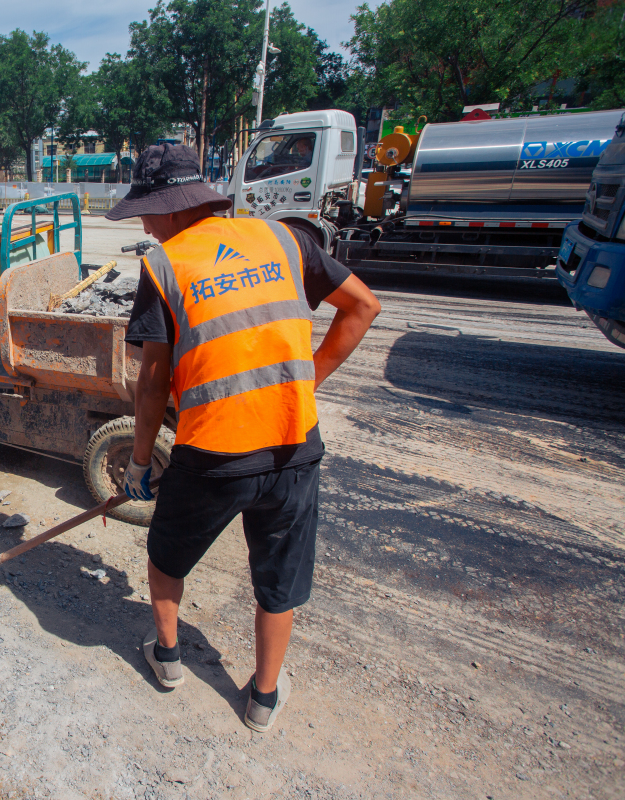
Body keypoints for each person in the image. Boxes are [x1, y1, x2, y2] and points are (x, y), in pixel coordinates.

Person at [106, 144, 380, 731]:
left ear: (171, 207)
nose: (146, 226)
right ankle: (263, 699)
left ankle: (168, 659)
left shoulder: (165, 265)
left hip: (214, 454)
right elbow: (363, 306)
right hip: (293, 445)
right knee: (278, 579)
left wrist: (139, 464)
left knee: (165, 556)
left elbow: (152, 382)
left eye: (147, 212)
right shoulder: (286, 239)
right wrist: (304, 383)